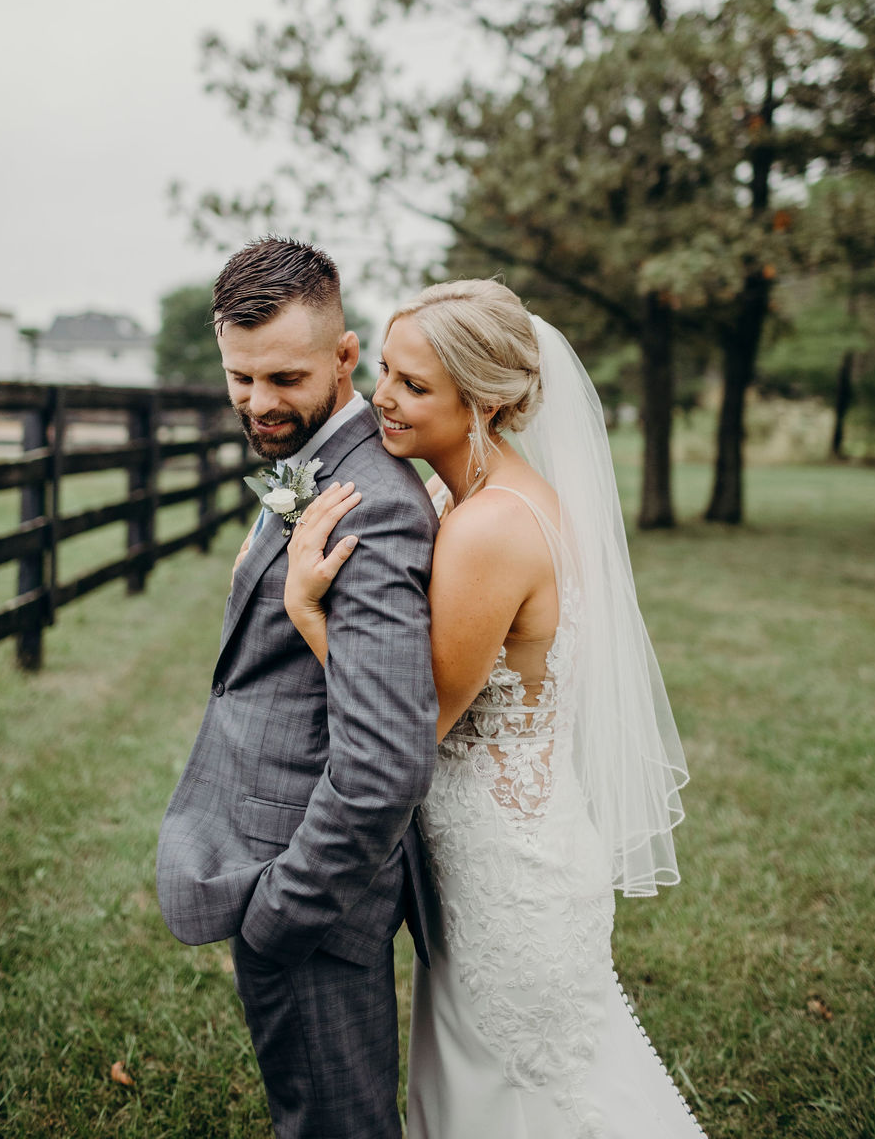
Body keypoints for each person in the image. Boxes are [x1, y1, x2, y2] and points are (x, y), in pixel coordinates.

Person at [283, 278, 708, 1138]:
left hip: (508, 884)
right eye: (387, 373)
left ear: (482, 403)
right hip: (508, 855)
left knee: (530, 1102)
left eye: (414, 386)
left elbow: (411, 727)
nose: (382, 401)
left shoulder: (488, 530)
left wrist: (306, 613)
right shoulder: (496, 499)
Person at [156, 238, 440, 1139]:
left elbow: (386, 765)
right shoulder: (312, 459)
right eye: (240, 378)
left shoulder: (377, 504)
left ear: (346, 356)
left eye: (283, 377)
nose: (258, 403)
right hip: (278, 862)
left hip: (313, 898)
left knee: (336, 1124)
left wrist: (280, 913)